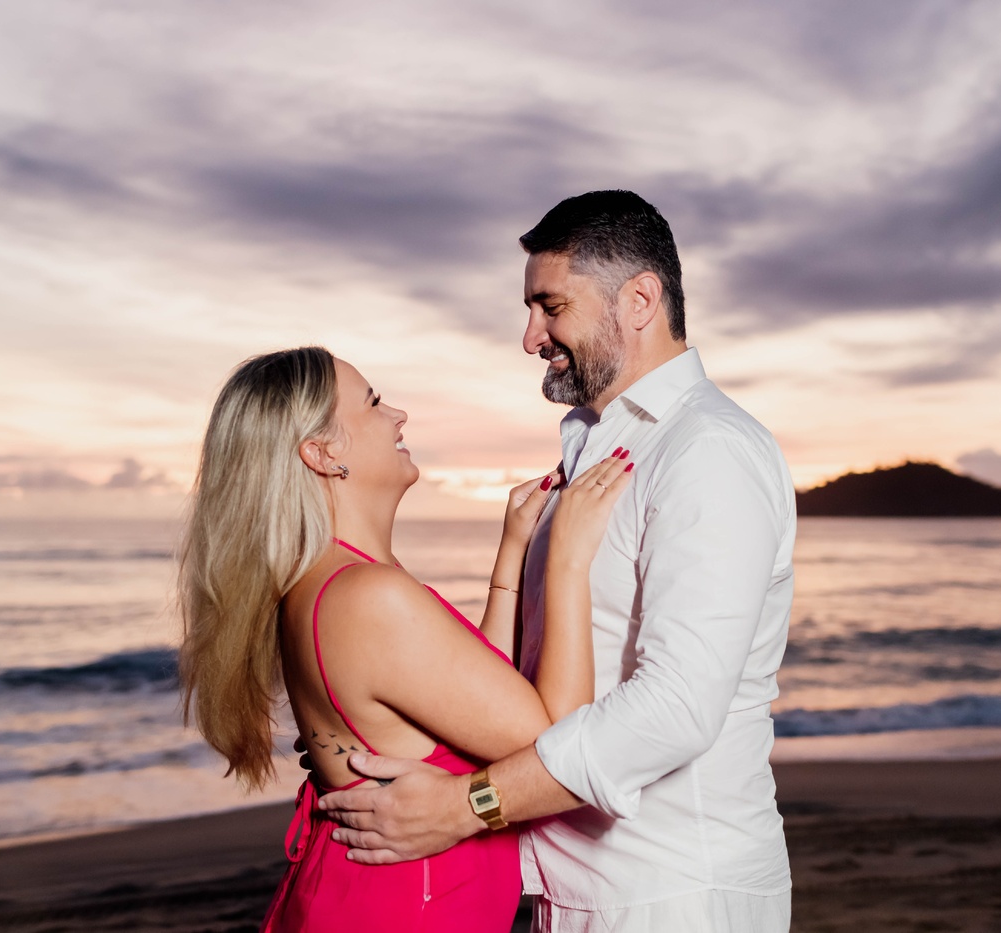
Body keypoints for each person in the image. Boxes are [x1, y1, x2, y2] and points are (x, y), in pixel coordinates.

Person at [320, 190, 797, 931]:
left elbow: (676, 708)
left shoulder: (708, 451)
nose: (530, 337)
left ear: (639, 300)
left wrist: (467, 804)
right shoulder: (591, 447)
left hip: (671, 892)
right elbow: (523, 683)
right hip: (565, 888)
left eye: (551, 307)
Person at [176, 346, 635, 932]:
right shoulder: (368, 598)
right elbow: (560, 750)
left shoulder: (339, 580)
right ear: (322, 453)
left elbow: (476, 695)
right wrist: (568, 558)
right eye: (373, 403)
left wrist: (514, 549)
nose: (398, 415)